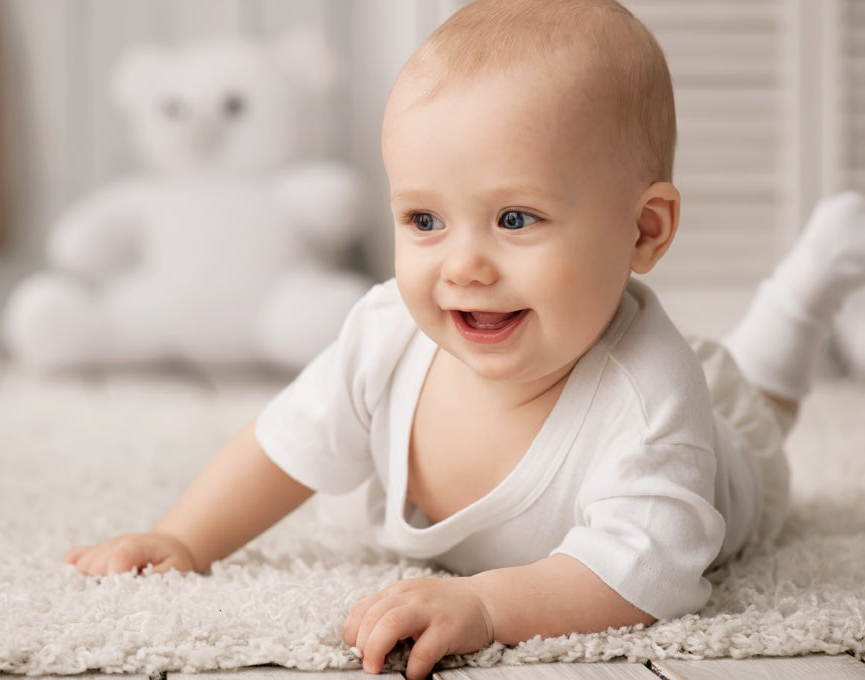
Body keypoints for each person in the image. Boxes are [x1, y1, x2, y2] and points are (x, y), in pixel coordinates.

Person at [65, 1, 865, 678]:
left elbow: (640, 575)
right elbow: (283, 442)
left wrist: (488, 604)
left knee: (758, 412)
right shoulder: (385, 332)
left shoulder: (650, 399)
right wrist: (182, 536)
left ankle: (806, 287)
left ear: (643, 231)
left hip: (719, 469)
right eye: (424, 220)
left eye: (515, 219)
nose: (463, 265)